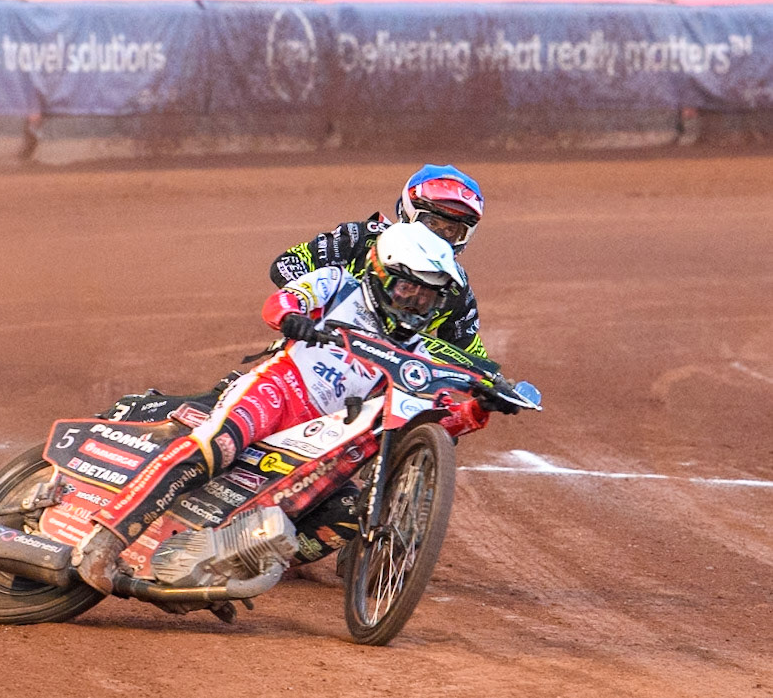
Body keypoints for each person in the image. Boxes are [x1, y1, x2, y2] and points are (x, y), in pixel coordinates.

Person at [74, 221, 519, 593]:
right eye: (406, 289)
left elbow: (431, 420)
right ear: (381, 273)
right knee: (213, 450)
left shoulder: (419, 354)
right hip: (278, 393)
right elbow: (282, 300)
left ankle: (231, 563)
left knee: (350, 512)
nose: (415, 303)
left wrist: (479, 408)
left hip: (324, 439)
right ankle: (106, 539)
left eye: (426, 297)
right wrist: (292, 318)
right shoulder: (339, 285)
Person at [269, 164, 489, 357]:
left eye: (451, 230)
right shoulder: (361, 239)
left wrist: (495, 382)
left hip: (390, 381)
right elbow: (288, 263)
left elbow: (467, 350)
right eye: (432, 223)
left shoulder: (454, 286)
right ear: (408, 213)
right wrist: (305, 311)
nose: (438, 235)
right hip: (320, 352)